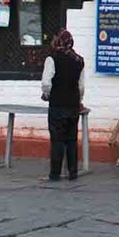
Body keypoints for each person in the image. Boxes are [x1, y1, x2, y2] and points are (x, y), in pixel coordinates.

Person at [40, 28, 86, 182]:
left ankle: (55, 173)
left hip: (57, 104)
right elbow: (81, 86)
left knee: (57, 140)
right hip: (73, 105)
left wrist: (47, 95)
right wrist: (78, 100)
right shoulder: (79, 60)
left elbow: (46, 83)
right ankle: (73, 172)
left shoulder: (52, 58)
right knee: (72, 140)